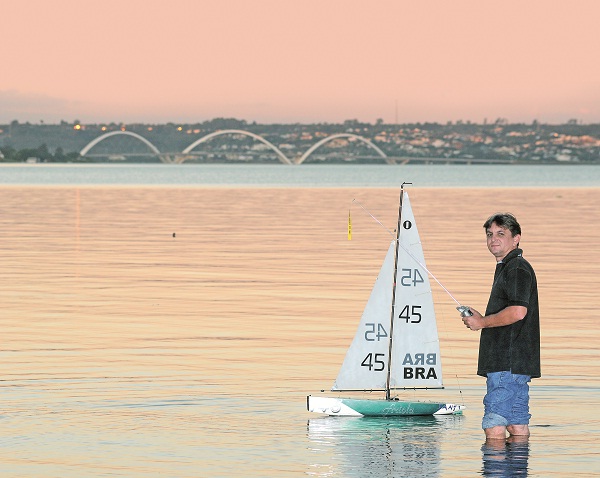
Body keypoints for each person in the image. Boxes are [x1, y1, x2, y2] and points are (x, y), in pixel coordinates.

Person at [461, 213, 540, 440]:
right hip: (516, 364)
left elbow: (518, 311)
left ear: (516, 238)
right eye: (489, 234)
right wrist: (482, 319)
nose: (493, 239)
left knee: (493, 427)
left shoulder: (516, 268)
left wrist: (482, 322)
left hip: (507, 363)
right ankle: (517, 472)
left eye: (501, 234)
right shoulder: (511, 267)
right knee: (517, 426)